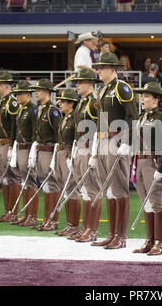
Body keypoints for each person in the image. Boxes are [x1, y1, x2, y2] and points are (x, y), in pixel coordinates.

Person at [89, 51, 138, 249]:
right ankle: (111, 234)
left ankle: (121, 236)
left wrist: (128, 142)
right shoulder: (102, 90)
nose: (98, 70)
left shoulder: (122, 88)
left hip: (116, 141)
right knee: (108, 190)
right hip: (102, 141)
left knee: (118, 189)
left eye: (101, 67)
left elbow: (133, 117)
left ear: (111, 69)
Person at [132, 82, 162, 256]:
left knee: (156, 203)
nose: (142, 99)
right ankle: (149, 240)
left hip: (153, 163)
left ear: (156, 100)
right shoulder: (142, 118)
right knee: (146, 203)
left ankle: (160, 242)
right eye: (142, 95)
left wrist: (161, 168)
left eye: (146, 96)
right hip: (140, 162)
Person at [70, 69, 102, 242]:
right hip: (81, 147)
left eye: (80, 82)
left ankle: (92, 230)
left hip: (90, 147)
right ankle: (85, 227)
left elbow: (99, 127)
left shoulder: (93, 102)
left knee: (93, 190)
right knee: (84, 190)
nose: (77, 85)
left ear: (90, 83)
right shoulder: (82, 102)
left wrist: (95, 153)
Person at [0, 71, 21, 223]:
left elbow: (15, 126)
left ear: (7, 86)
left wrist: (12, 146)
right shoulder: (1, 102)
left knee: (12, 178)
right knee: (4, 178)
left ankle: (13, 211)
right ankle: (7, 210)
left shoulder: (12, 102)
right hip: (0, 143)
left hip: (8, 143)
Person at [30, 78, 62, 229]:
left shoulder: (52, 111)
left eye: (39, 90)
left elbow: (58, 134)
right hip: (41, 151)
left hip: (50, 151)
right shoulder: (41, 109)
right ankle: (46, 219)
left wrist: (56, 156)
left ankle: (53, 220)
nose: (36, 93)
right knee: (45, 186)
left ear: (47, 92)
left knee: (52, 185)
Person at [8, 81, 39, 227]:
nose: (17, 96)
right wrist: (12, 147)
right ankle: (26, 214)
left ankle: (32, 216)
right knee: (24, 182)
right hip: (20, 148)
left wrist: (33, 149)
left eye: (20, 93)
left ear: (28, 94)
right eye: (16, 93)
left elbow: (35, 131)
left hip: (28, 148)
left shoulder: (33, 109)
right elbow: (15, 130)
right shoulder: (20, 110)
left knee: (30, 181)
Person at [53, 89, 82, 237]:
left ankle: (74, 225)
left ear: (71, 103)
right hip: (60, 152)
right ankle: (70, 224)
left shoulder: (74, 118)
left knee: (72, 190)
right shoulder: (63, 118)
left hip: (69, 153)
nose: (60, 103)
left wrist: (72, 156)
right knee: (66, 190)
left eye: (63, 101)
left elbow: (77, 138)